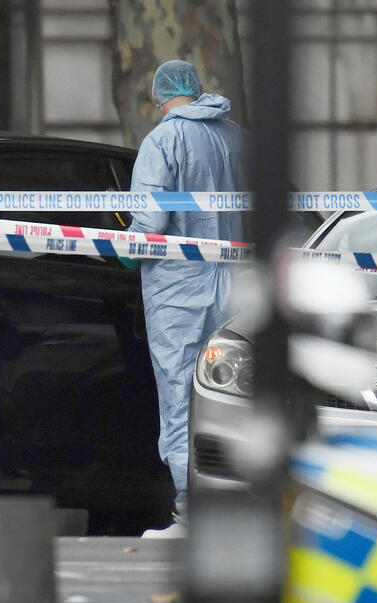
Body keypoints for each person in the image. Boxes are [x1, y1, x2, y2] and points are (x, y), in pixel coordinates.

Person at [129, 60, 248, 537]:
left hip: (178, 292)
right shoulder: (239, 138)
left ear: (159, 98)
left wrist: (121, 248)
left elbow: (150, 224)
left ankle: (190, 512)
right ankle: (239, 508)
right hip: (236, 286)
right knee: (234, 396)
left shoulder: (162, 142)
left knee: (181, 398)